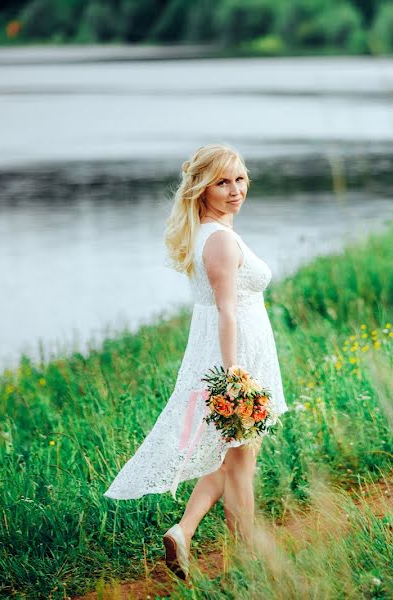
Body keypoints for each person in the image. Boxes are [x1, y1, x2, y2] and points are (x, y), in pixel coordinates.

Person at [103, 143, 289, 581]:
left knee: (230, 461)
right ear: (202, 188)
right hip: (236, 361)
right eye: (222, 182)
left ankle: (183, 532)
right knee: (242, 463)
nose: (235, 190)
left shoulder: (211, 231)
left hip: (236, 356)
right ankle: (248, 559)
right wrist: (233, 377)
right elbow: (226, 311)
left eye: (240, 179)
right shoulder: (220, 240)